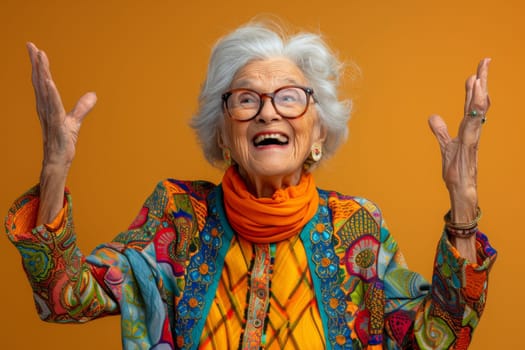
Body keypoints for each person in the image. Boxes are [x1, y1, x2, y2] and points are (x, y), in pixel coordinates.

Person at [5, 21, 496, 350]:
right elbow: (64, 298)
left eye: (288, 97)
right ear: (222, 129)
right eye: (246, 99)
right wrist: (53, 170)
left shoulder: (357, 226)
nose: (267, 111)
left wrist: (463, 205)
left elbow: (439, 336)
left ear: (318, 130)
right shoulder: (178, 214)